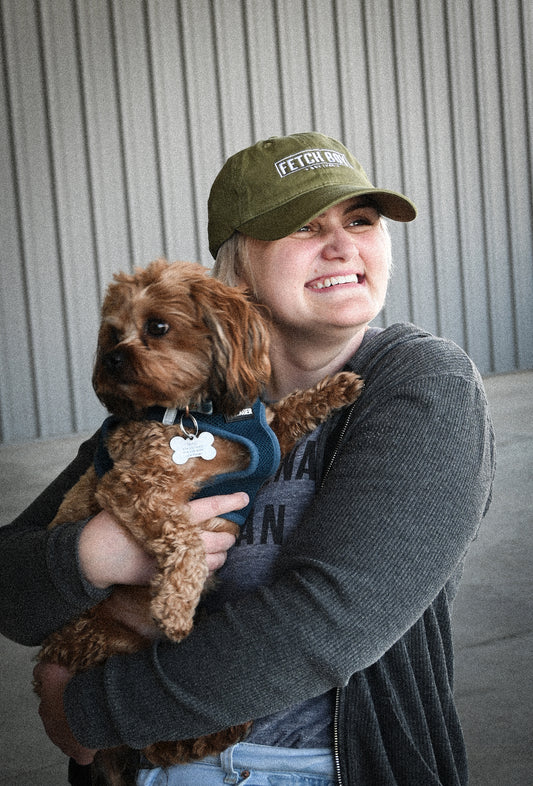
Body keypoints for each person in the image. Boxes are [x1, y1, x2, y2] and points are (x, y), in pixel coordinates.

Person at [0, 132, 495, 786]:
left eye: (361, 221)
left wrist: (92, 710)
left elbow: (327, 622)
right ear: (235, 271)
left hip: (324, 769)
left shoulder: (422, 381)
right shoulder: (177, 397)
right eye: (302, 226)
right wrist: (94, 554)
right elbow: (11, 585)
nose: (343, 244)